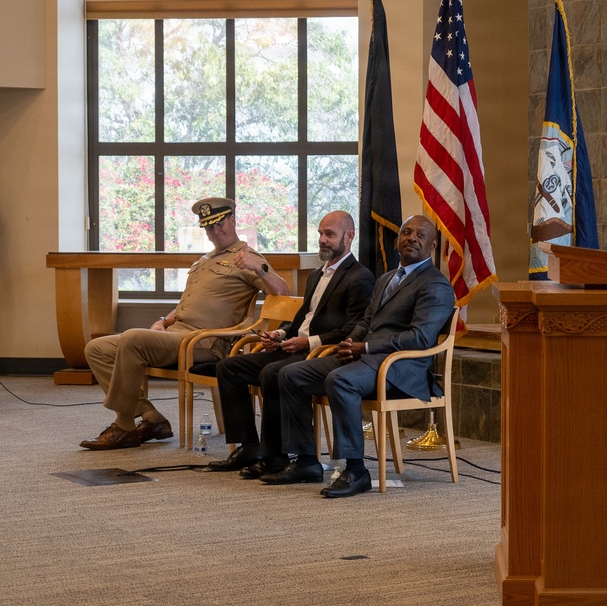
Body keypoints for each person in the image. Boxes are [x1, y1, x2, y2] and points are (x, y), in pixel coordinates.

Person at [263, 215, 455, 496]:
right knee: (290, 374)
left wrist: (364, 347)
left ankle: (356, 470)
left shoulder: (435, 285)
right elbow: (367, 321)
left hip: (401, 366)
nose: (412, 238)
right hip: (366, 358)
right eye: (406, 232)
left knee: (341, 381)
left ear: (433, 245)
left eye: (421, 235)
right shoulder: (387, 278)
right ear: (396, 241)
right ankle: (305, 461)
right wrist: (352, 339)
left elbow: (420, 338)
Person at [81, 197, 291, 451]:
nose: (215, 231)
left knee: (133, 338)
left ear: (233, 221)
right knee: (97, 348)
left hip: (204, 342)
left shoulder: (246, 258)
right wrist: (163, 321)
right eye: (209, 227)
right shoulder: (205, 260)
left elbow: (283, 293)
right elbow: (188, 305)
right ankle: (151, 418)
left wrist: (261, 269)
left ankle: (124, 426)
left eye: (220, 224)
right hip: (176, 334)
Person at [205, 211, 375, 477]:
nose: (322, 240)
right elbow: (302, 319)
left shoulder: (360, 277)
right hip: (295, 346)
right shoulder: (316, 275)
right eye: (320, 233)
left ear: (349, 236)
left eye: (329, 234)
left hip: (319, 353)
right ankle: (251, 447)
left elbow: (353, 331)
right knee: (229, 367)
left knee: (273, 373)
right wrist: (281, 335)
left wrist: (309, 342)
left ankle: (281, 457)